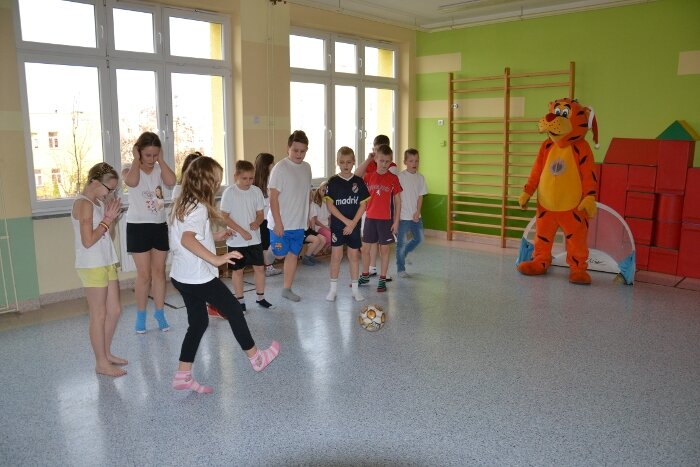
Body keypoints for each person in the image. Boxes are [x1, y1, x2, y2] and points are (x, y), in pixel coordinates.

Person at [169, 156, 280, 394]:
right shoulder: (199, 208)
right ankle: (256, 357)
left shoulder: (183, 202)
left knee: (198, 322)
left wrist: (215, 237)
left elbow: (189, 234)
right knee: (233, 310)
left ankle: (182, 374)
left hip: (181, 276)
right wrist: (216, 259)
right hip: (198, 276)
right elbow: (187, 239)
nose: (218, 185)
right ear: (206, 182)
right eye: (216, 180)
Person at [71, 162, 127, 377]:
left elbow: (108, 235)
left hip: (106, 259)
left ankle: (106, 353)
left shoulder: (98, 202)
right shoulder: (83, 204)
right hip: (91, 263)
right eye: (108, 189)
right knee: (99, 314)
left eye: (113, 190)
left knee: (115, 310)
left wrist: (111, 218)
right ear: (94, 182)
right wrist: (107, 219)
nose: (110, 193)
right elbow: (88, 241)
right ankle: (101, 363)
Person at [124, 131, 177, 333]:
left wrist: (161, 161)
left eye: (155, 154)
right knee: (144, 275)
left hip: (158, 224)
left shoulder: (159, 168)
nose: (152, 159)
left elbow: (171, 182)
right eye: (148, 155)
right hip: (138, 226)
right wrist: (136, 160)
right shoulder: (130, 169)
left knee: (159, 272)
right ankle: (141, 315)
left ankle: (160, 313)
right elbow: (132, 182)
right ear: (138, 152)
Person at [220, 160, 274, 312]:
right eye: (244, 178)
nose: (248, 181)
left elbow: (260, 214)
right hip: (236, 241)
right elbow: (224, 216)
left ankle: (260, 298)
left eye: (251, 178)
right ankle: (240, 301)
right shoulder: (229, 192)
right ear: (236, 176)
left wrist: (257, 222)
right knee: (238, 271)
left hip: (254, 240)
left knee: (260, 269)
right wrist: (241, 231)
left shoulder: (256, 191)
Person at [267, 130, 312, 302]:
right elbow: (273, 198)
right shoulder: (280, 168)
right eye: (295, 150)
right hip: (281, 223)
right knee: (280, 254)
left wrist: (308, 216)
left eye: (302, 151)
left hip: (298, 224)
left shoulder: (307, 168)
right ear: (288, 148)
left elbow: (306, 194)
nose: (299, 154)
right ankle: (269, 253)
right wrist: (278, 223)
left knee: (293, 255)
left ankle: (287, 288)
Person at [325, 147, 371, 302]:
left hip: (354, 226)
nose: (345, 165)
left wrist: (353, 223)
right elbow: (330, 205)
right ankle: (333, 290)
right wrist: (346, 222)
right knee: (336, 257)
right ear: (337, 162)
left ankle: (355, 290)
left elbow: (363, 205)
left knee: (354, 256)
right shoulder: (333, 182)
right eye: (342, 162)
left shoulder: (359, 181)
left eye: (349, 162)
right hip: (338, 226)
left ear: (353, 162)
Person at [359, 144, 402, 292]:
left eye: (387, 161)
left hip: (386, 220)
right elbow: (356, 177)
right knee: (365, 249)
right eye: (381, 160)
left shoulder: (393, 179)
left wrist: (396, 221)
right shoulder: (368, 177)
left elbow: (398, 201)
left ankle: (382, 279)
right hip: (370, 219)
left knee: (384, 250)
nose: (384, 164)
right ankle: (365, 275)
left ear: (391, 161)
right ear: (376, 159)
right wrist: (367, 160)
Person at [396, 148, 428, 278]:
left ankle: (403, 254)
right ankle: (400, 269)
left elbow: (421, 196)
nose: (414, 163)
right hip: (403, 217)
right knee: (401, 243)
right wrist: (396, 216)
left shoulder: (421, 178)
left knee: (419, 239)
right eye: (411, 161)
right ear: (405, 162)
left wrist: (418, 211)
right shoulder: (400, 177)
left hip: (416, 216)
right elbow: (396, 198)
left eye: (416, 161)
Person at [253, 153, 282, 277]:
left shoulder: (267, 180)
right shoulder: (258, 183)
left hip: (267, 217)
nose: (274, 165)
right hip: (264, 218)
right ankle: (268, 267)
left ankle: (268, 266)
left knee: (267, 243)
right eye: (272, 163)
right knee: (266, 244)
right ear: (267, 165)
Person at [309, 181, 331, 254]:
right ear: (319, 190)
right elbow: (315, 221)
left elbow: (329, 218)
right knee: (330, 237)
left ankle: (325, 248)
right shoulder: (314, 204)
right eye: (323, 190)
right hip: (319, 227)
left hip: (326, 226)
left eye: (326, 191)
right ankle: (323, 249)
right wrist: (326, 228)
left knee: (337, 235)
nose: (325, 193)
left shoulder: (327, 203)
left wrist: (330, 226)